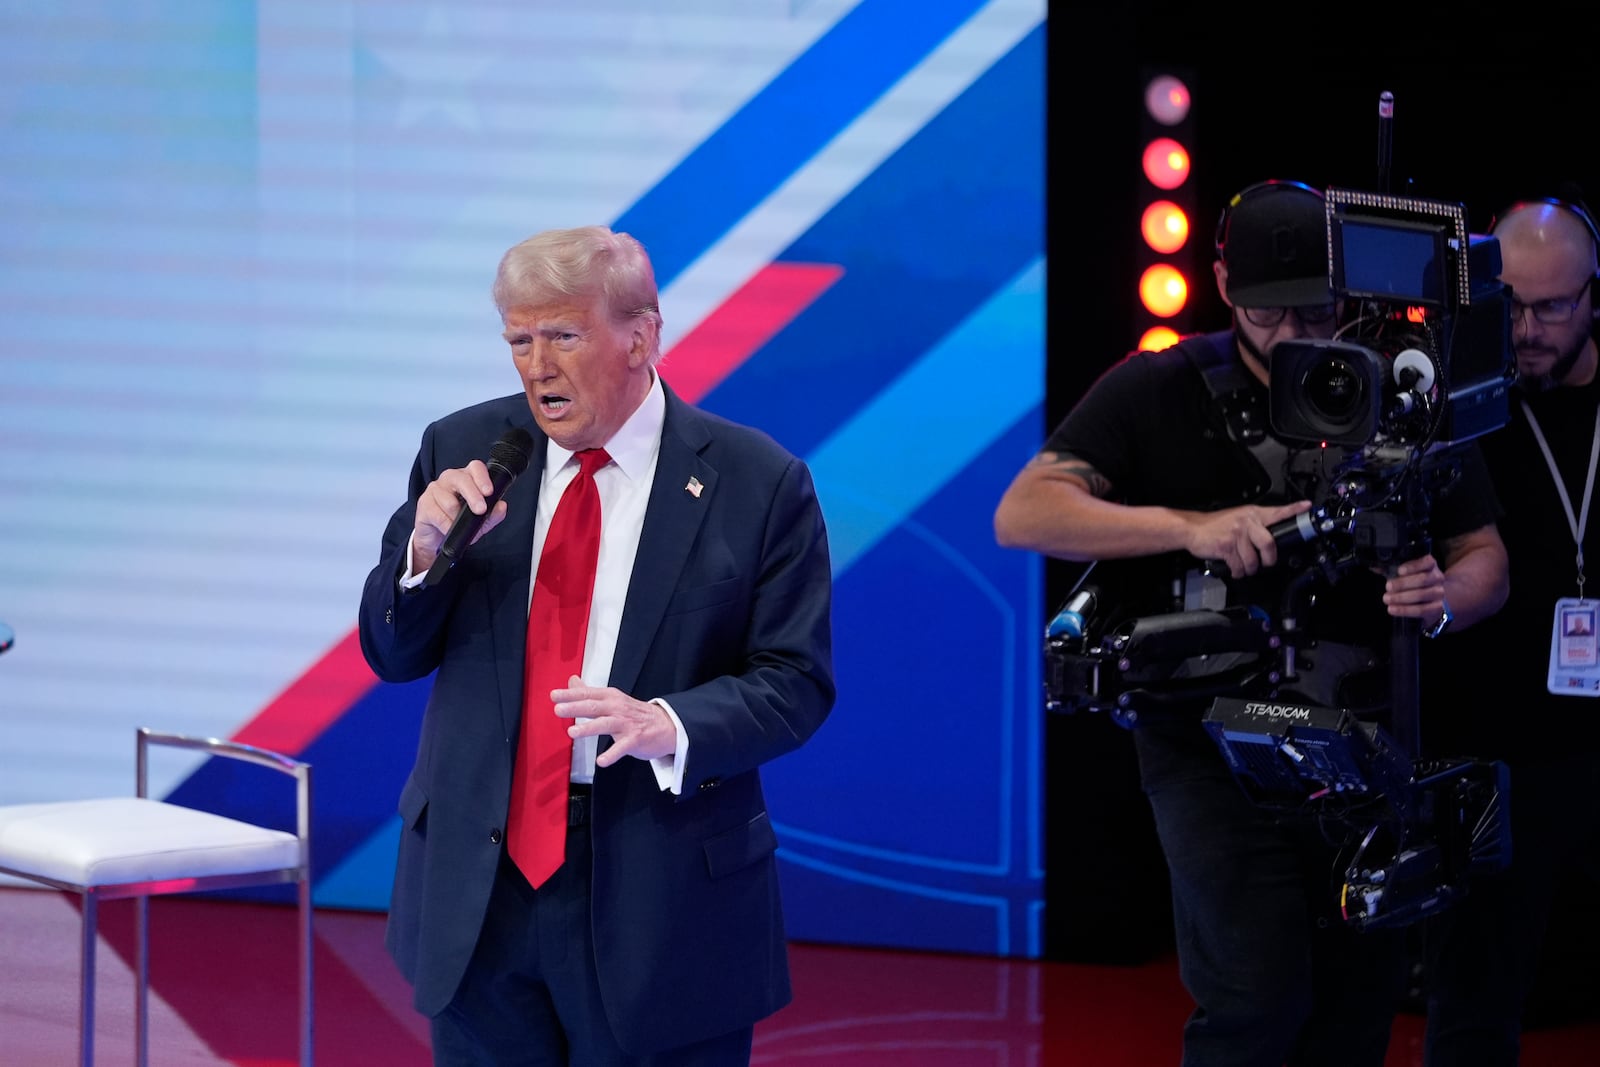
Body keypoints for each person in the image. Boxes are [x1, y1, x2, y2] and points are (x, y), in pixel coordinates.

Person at [994, 179, 1509, 1067]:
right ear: (1224, 284)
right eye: (1272, 314)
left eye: (1317, 310)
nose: (1296, 334)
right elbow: (1024, 512)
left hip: (1364, 740)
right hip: (1204, 742)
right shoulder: (1163, 384)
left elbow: (1487, 557)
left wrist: (1445, 596)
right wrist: (1191, 527)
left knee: (1360, 998)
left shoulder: (1406, 389)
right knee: (1254, 992)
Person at [358, 225, 836, 1065]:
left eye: (563, 336)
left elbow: (795, 681)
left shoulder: (758, 483)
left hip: (661, 889)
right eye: (518, 339)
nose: (536, 365)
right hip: (479, 893)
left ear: (641, 336)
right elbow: (393, 656)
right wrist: (422, 555)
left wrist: (669, 723)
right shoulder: (464, 453)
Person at [1420, 195, 1600, 1066]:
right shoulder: (1452, 398)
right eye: (1510, 305)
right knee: (1474, 1003)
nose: (1527, 329)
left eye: (1552, 307)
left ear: (1593, 296)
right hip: (1489, 744)